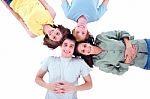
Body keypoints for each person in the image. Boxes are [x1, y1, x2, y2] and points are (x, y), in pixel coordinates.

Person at [35, 34, 92, 99]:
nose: (67, 48)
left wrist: (72, 88)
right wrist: (47, 86)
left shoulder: (80, 63)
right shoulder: (50, 60)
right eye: (65, 45)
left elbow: (89, 84)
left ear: (74, 49)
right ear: (61, 45)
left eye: (71, 46)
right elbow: (37, 78)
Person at [74, 30, 150, 75]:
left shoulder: (101, 37)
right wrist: (127, 61)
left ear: (87, 42)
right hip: (144, 62)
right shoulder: (99, 63)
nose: (86, 49)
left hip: (144, 44)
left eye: (84, 46)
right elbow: (119, 71)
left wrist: (128, 45)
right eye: (83, 51)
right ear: (84, 55)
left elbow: (120, 33)